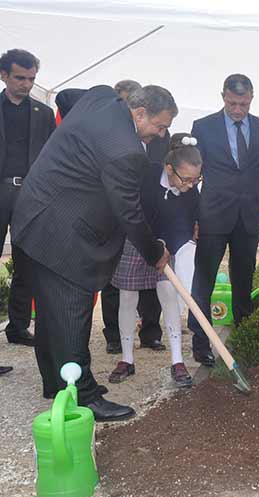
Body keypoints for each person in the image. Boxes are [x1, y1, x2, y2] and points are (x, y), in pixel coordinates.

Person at [11, 84, 175, 421]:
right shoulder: (126, 151)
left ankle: (56, 384)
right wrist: (154, 251)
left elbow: (66, 96)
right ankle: (83, 396)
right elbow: (129, 212)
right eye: (159, 126)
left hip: (32, 215)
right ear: (139, 113)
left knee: (51, 312)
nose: (161, 134)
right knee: (72, 312)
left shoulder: (101, 96)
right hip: (61, 233)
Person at [189, 74, 259, 367]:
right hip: (212, 214)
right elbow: (192, 174)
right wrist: (192, 216)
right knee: (204, 279)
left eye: (244, 103)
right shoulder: (203, 127)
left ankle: (243, 335)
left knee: (243, 277)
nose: (238, 109)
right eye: (232, 103)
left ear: (252, 98)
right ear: (222, 96)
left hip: (248, 215)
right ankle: (200, 342)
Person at [108, 133, 200, 387]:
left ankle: (177, 361)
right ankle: (126, 359)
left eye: (196, 179)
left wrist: (169, 245)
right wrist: (149, 243)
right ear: (169, 168)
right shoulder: (146, 176)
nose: (191, 185)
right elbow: (131, 210)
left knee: (169, 296)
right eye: (187, 179)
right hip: (136, 240)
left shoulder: (190, 193)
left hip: (166, 247)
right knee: (127, 297)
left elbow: (185, 225)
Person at [101, 80, 166, 354]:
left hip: (148, 215)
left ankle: (150, 332)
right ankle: (115, 335)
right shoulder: (110, 134)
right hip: (116, 217)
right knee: (113, 281)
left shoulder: (159, 133)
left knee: (151, 278)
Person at [0, 49, 55, 349]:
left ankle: (18, 327)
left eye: (32, 78)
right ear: (4, 75)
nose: (27, 84)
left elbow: (52, 157)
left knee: (27, 263)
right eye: (20, 77)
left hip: (30, 194)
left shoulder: (43, 113)